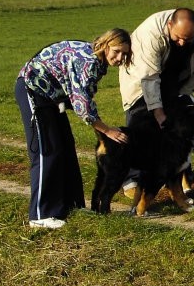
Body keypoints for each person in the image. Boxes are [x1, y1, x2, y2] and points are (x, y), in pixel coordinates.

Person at [15, 29, 132, 229]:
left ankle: (72, 205)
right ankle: (41, 214)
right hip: (33, 90)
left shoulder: (97, 61)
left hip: (52, 96)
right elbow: (82, 104)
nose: (120, 57)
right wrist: (106, 130)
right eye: (117, 51)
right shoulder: (88, 61)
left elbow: (79, 93)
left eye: (125, 54)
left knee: (66, 148)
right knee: (48, 151)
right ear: (105, 45)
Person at [119, 8, 194, 193]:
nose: (183, 43)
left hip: (173, 78)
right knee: (141, 123)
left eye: (188, 38)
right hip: (141, 78)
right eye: (178, 38)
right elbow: (149, 78)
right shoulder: (150, 33)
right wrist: (159, 114)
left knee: (177, 128)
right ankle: (133, 180)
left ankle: (180, 178)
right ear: (169, 25)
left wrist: (185, 97)